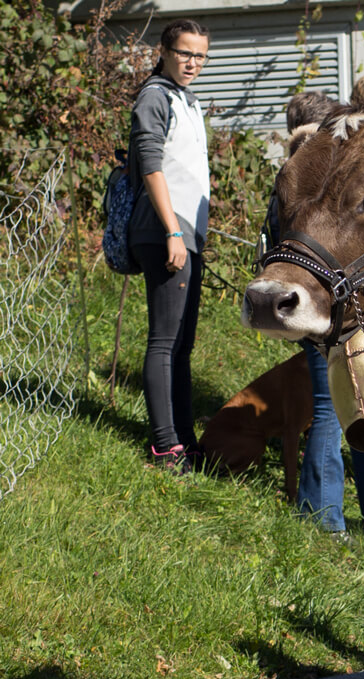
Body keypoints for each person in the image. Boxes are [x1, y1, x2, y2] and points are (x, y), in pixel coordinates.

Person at [264, 90, 364, 544]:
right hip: (339, 296)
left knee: (347, 404)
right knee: (353, 405)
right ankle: (349, 517)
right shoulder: (324, 173)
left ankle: (342, 514)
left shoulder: (301, 172)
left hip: (327, 295)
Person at [128, 19, 212, 473]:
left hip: (184, 234)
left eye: (200, 55)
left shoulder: (188, 99)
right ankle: (164, 447)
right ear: (163, 51)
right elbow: (151, 164)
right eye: (184, 53)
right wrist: (173, 232)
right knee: (164, 341)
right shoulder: (155, 96)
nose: (192, 62)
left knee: (182, 345)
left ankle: (184, 439)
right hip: (163, 231)